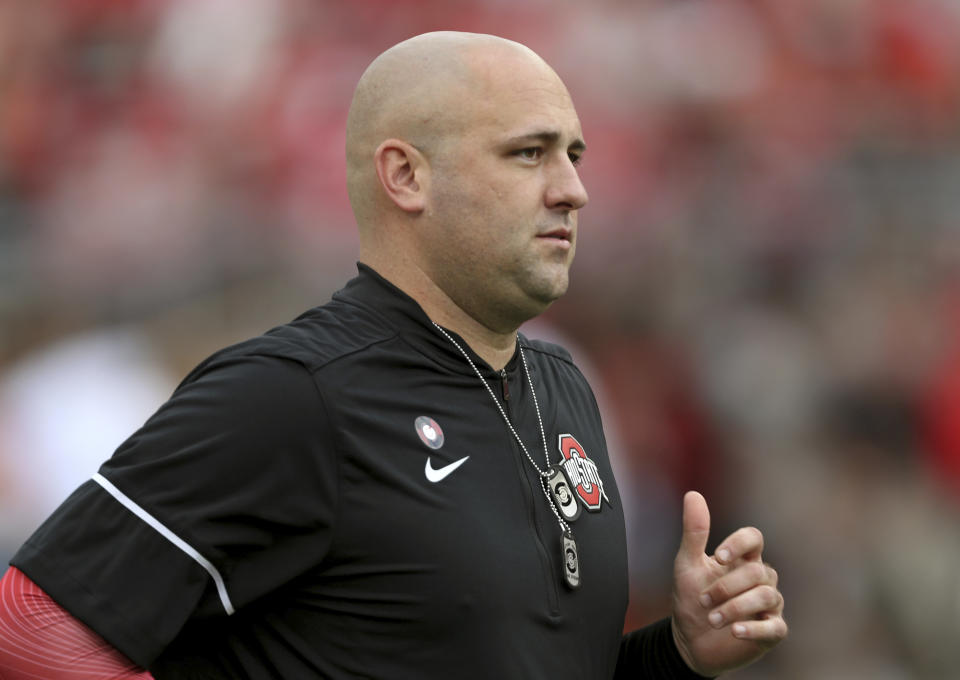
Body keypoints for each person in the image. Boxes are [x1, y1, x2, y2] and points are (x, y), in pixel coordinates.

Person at [0, 31, 786, 678]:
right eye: (528, 154)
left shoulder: (564, 388)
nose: (573, 188)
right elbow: (30, 626)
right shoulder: (294, 394)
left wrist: (679, 654)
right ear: (406, 176)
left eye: (574, 154)